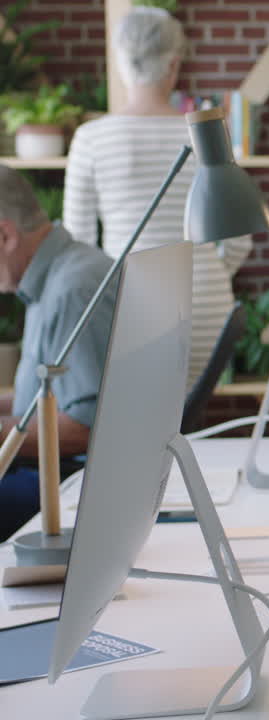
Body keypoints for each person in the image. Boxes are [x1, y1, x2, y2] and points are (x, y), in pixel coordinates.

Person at [63, 6, 251, 393]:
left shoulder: (92, 139)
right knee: (191, 420)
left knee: (143, 423)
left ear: (120, 63)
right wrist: (206, 274)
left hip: (132, 307)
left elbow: (78, 247)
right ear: (173, 65)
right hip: (208, 308)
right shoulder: (206, 135)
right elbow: (238, 239)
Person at [0, 166, 117, 540]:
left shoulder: (74, 289)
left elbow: (88, 427)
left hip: (68, 484)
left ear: (5, 235)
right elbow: (44, 398)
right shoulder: (52, 276)